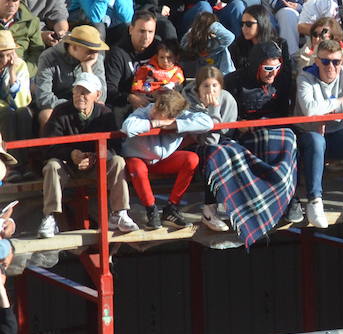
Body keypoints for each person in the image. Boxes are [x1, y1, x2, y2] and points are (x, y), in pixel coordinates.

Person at [37, 72, 138, 237]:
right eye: (77, 91)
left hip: (96, 164)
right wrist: (71, 154)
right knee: (52, 166)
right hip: (67, 165)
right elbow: (48, 146)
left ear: (97, 95)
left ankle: (119, 213)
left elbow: (115, 147)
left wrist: (95, 157)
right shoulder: (60, 111)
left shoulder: (105, 113)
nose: (80, 96)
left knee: (118, 161)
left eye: (85, 92)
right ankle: (50, 216)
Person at [293, 37, 343, 228]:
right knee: (316, 141)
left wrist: (330, 112)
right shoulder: (305, 77)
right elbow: (310, 110)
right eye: (325, 61)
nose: (331, 66)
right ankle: (315, 201)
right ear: (317, 61)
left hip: (337, 135)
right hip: (309, 137)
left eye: (336, 61)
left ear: (342, 62)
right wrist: (339, 101)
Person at [121, 88, 212, 229]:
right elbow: (128, 127)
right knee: (137, 168)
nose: (154, 112)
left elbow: (207, 123)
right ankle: (151, 210)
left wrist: (176, 125)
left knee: (191, 158)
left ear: (172, 116)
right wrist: (155, 124)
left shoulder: (180, 116)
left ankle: (171, 208)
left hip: (162, 161)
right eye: (156, 107)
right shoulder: (144, 111)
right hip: (138, 159)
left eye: (160, 113)